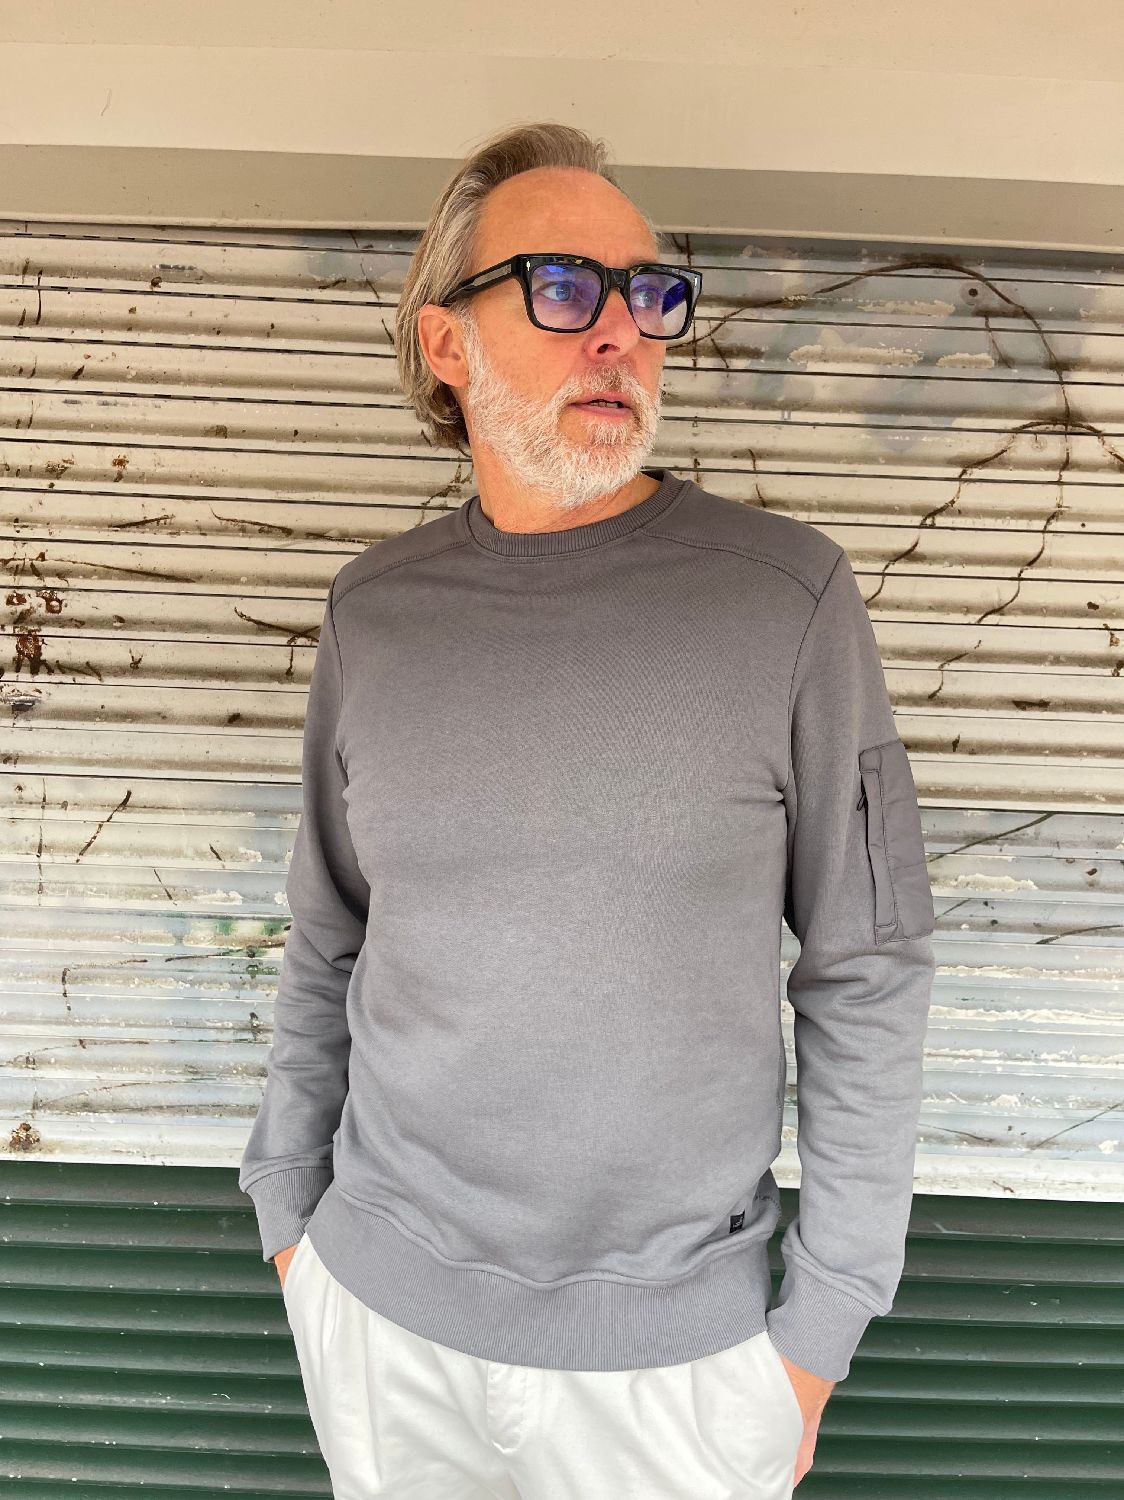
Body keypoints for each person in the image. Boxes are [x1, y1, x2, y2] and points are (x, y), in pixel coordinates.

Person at [238, 120, 936, 1499]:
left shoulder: (785, 600)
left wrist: (818, 1333)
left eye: (649, 293)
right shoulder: (375, 615)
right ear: (447, 343)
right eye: (563, 288)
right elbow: (328, 937)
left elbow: (869, 963)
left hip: (677, 1375)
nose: (620, 331)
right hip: (379, 1320)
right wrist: (290, 1222)